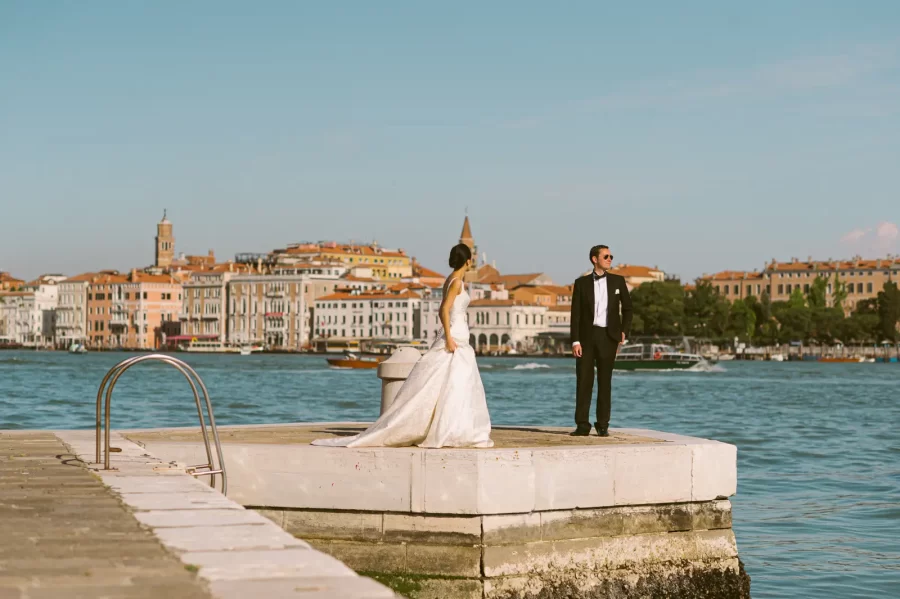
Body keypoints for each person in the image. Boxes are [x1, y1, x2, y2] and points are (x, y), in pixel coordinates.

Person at [311, 243, 493, 448]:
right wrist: (449, 337)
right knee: (457, 383)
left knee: (451, 384)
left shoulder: (450, 280)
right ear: (468, 260)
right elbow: (444, 309)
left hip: (457, 334)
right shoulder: (457, 283)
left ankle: (450, 427)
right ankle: (451, 429)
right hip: (455, 336)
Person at [569, 245, 633, 437]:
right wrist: (575, 341)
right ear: (594, 259)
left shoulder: (618, 281)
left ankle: (603, 424)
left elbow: (628, 309)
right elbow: (576, 316)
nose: (610, 259)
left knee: (605, 382)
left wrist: (624, 331)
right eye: (606, 256)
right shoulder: (581, 284)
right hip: (586, 339)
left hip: (609, 337)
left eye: (611, 256)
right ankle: (582, 425)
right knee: (584, 382)